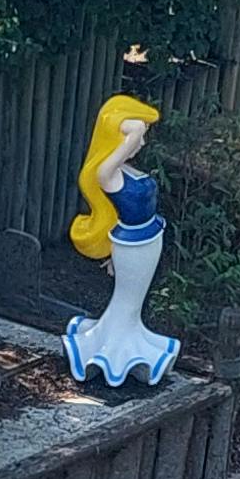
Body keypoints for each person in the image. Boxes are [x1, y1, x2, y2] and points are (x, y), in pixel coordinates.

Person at [65, 89, 179, 392]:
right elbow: (117, 155)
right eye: (139, 136)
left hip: (149, 238)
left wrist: (134, 131)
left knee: (133, 300)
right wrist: (130, 132)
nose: (142, 142)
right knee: (128, 300)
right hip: (132, 245)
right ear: (121, 137)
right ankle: (113, 350)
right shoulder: (107, 173)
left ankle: (126, 338)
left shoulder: (124, 170)